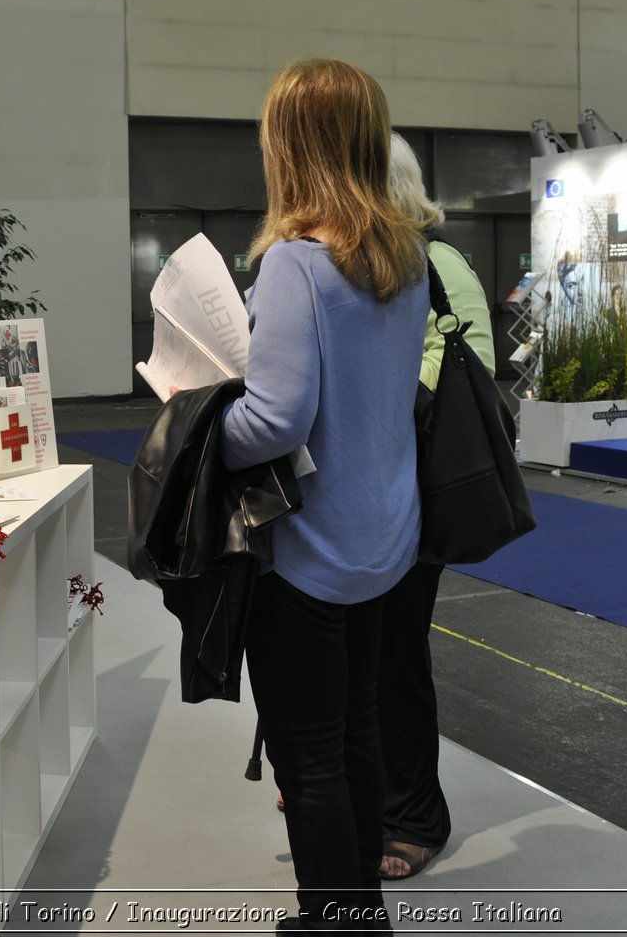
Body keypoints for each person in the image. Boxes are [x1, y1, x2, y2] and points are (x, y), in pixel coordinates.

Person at [221, 58, 428, 933]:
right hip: (384, 541)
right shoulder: (407, 257)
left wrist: (195, 429)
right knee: (358, 738)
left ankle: (335, 921)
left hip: (306, 554)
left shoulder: (295, 265)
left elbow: (272, 422)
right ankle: (360, 915)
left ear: (291, 145)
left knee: (307, 761)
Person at [373, 134, 495, 882]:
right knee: (378, 650)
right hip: (389, 487)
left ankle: (417, 817)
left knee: (394, 654)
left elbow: (453, 370)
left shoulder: (433, 264)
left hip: (419, 488)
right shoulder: (397, 263)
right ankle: (373, 792)